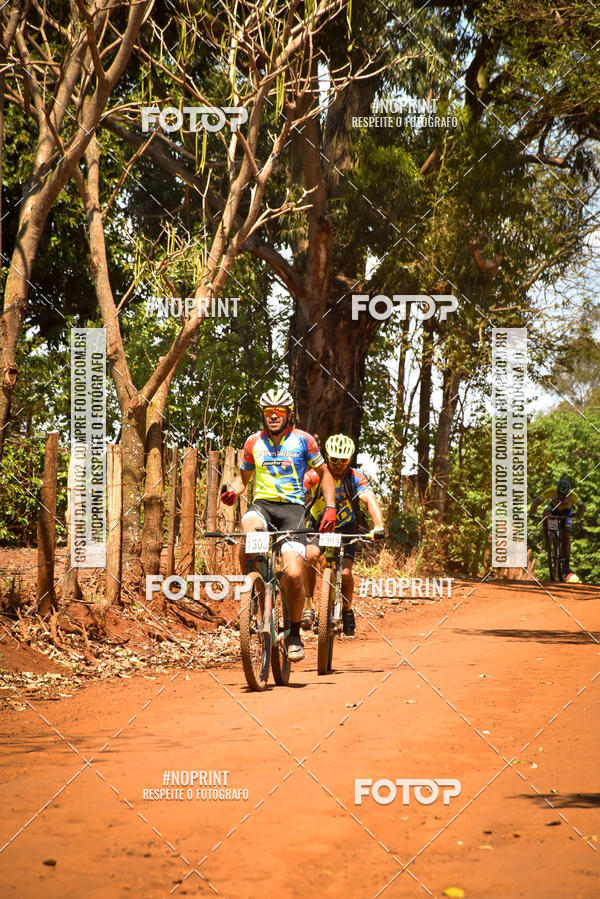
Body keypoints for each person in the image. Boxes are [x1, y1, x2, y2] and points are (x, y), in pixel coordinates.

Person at [220, 388, 336, 661]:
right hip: (263, 506)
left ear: (288, 414)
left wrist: (330, 507)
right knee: (249, 529)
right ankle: (254, 585)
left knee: (294, 574)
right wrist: (233, 491)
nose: (273, 416)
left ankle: (294, 632)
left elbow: (324, 473)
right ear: (263, 415)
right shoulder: (253, 442)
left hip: (292, 510)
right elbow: (243, 479)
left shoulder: (303, 440)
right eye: (268, 411)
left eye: (279, 411)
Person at [303, 433, 385, 635]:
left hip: (346, 526)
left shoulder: (355, 477)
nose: (339, 465)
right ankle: (308, 604)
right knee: (310, 556)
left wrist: (378, 525)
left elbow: (369, 499)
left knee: (346, 573)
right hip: (319, 525)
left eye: (343, 461)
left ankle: (347, 608)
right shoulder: (316, 475)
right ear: (326, 457)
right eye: (334, 460)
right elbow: (297, 490)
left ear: (350, 460)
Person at [528, 476, 585, 581]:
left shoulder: (572, 495)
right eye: (559, 494)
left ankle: (566, 563)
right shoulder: (551, 490)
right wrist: (531, 512)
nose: (561, 497)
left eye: (564, 496)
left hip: (567, 512)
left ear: (568, 493)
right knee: (545, 515)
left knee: (566, 536)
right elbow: (537, 501)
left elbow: (582, 507)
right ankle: (548, 539)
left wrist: (577, 514)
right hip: (553, 509)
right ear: (557, 490)